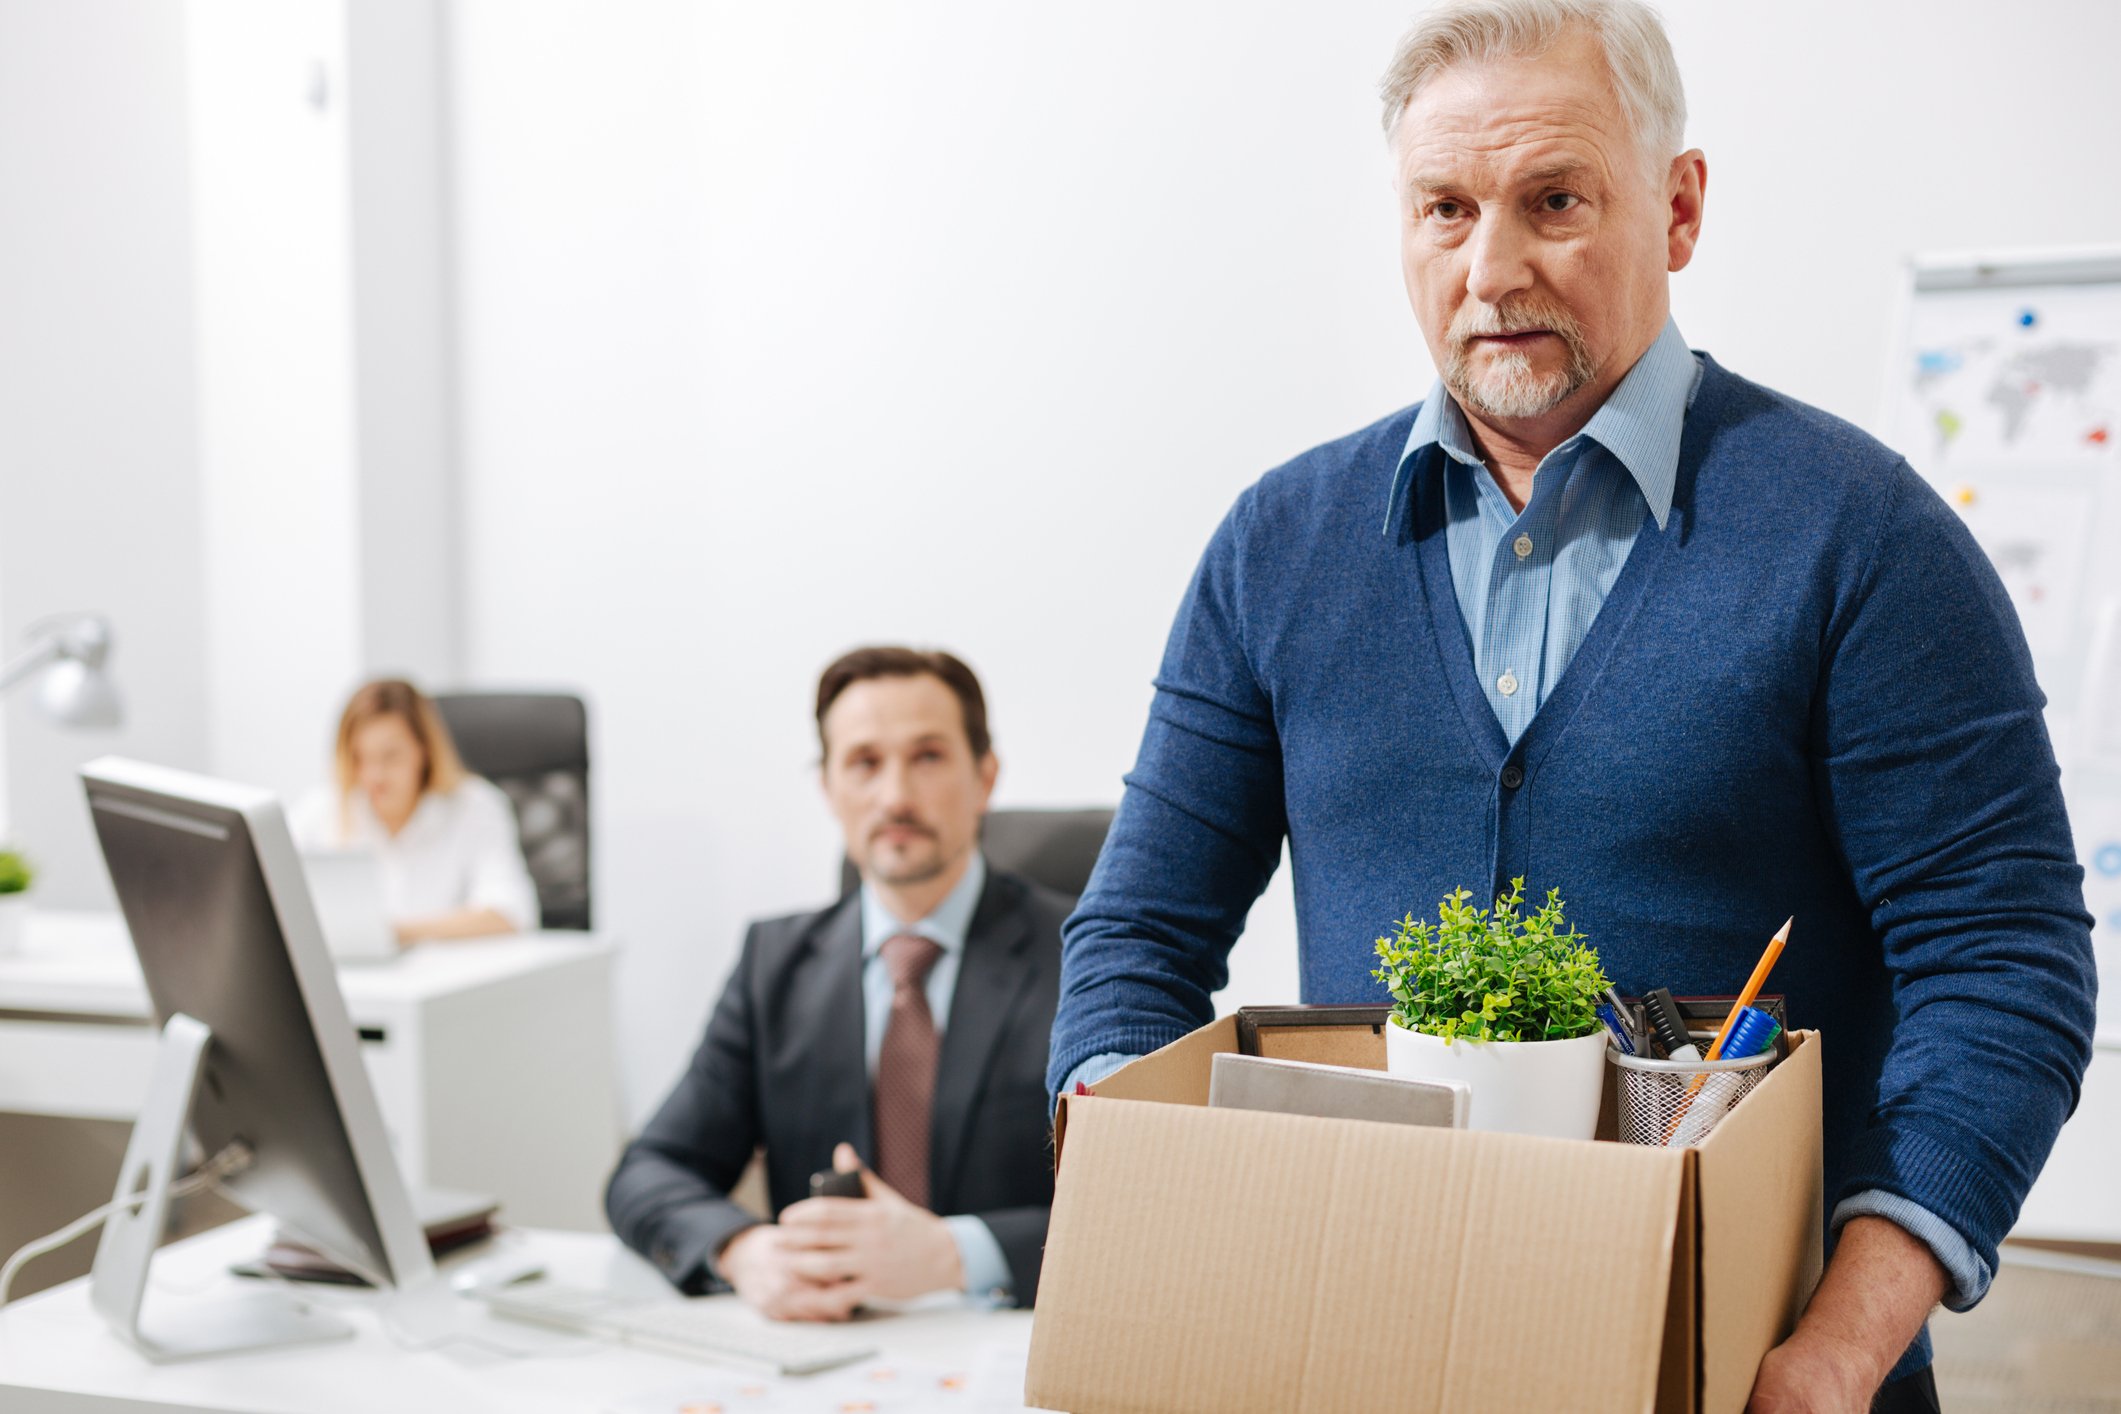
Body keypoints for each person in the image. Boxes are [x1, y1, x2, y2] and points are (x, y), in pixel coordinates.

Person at [1045, 3, 2097, 1410]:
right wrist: (1129, 1167)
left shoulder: (1863, 538)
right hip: (1368, 1357)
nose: (1492, 269)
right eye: (1444, 208)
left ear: (1676, 207)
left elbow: (2004, 964)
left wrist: (1838, 1349)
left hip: (1753, 1377)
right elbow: (1135, 932)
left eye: (1553, 201)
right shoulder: (1276, 544)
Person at [606, 648, 1067, 1319]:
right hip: (835, 1352)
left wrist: (952, 1253)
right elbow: (649, 1171)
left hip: (1021, 1346)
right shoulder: (775, 964)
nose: (895, 797)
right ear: (826, 787)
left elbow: (1155, 1210)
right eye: (863, 763)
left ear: (985, 777)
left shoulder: (1087, 958)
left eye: (928, 756)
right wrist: (741, 1249)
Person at [290, 678, 539, 944]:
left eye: (390, 756)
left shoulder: (476, 807)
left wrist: (395, 936)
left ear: (424, 750)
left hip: (446, 978)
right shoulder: (320, 809)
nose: (374, 775)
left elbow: (511, 914)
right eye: (359, 758)